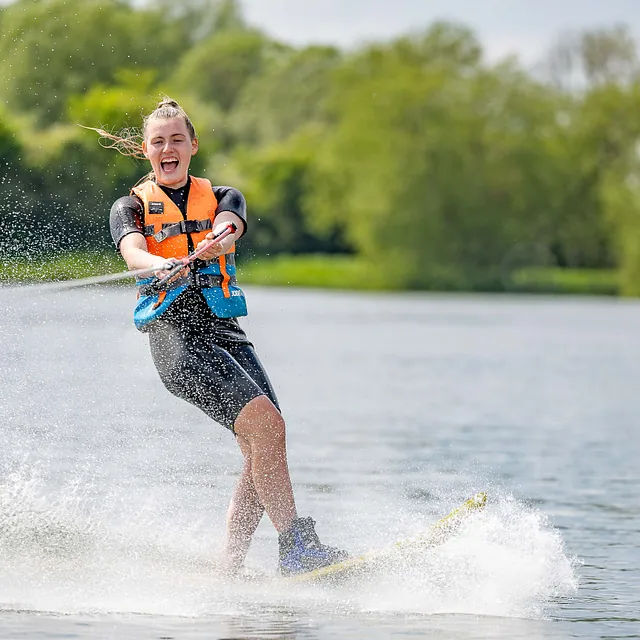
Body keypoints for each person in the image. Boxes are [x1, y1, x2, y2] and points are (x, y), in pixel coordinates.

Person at [92, 97, 347, 576]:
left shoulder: (225, 197)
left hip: (226, 333)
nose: (168, 148)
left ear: (192, 145)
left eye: (177, 140)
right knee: (267, 428)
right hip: (176, 340)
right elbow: (131, 253)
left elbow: (230, 229)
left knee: (264, 443)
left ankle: (227, 571)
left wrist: (218, 240)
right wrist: (158, 262)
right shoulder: (129, 206)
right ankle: (296, 548)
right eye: (158, 141)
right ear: (146, 150)